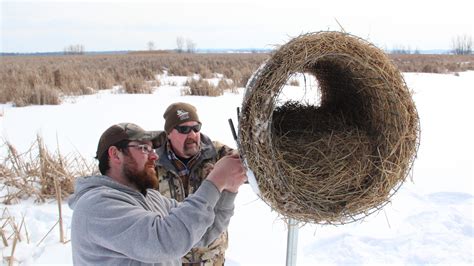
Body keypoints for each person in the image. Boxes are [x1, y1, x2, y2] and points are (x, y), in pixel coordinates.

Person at [68, 122, 246, 266]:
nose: (154, 157)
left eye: (152, 150)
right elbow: (166, 242)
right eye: (144, 149)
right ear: (115, 154)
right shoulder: (95, 206)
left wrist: (229, 189)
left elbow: (201, 233)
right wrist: (215, 181)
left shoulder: (150, 198)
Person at [155, 102, 235, 265]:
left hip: (211, 257)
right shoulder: (152, 164)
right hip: (172, 258)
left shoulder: (218, 154)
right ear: (169, 133)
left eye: (196, 128)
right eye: (184, 129)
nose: (192, 134)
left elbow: (251, 168)